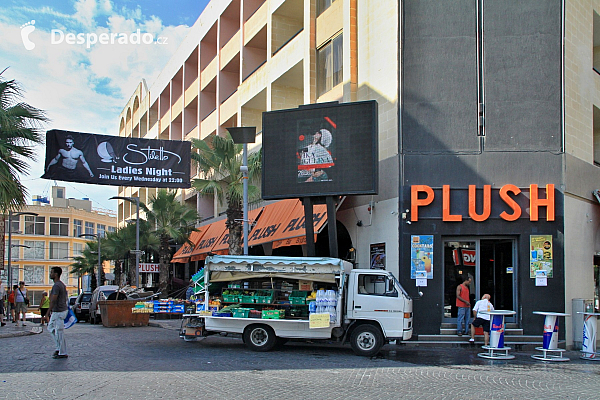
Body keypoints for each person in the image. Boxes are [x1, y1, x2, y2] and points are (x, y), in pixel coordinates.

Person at [47, 267, 69, 359]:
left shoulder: (57, 286)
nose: (50, 274)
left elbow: (53, 300)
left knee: (59, 332)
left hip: (58, 311)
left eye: (51, 272)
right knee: (51, 328)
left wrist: (48, 312)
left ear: (56, 274)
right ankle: (58, 348)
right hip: (60, 310)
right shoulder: (61, 285)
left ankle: (62, 352)